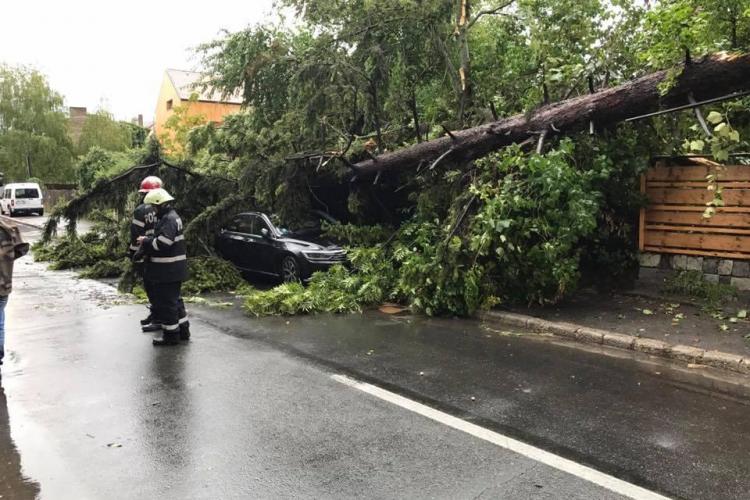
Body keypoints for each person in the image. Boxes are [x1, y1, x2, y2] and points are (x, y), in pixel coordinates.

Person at [137, 188, 190, 346]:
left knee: (167, 304)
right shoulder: (170, 217)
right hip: (173, 270)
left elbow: (164, 243)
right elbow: (162, 237)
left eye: (154, 206)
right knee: (175, 302)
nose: (153, 210)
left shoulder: (168, 219)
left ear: (161, 205)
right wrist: (148, 238)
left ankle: (171, 336)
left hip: (169, 270)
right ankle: (183, 331)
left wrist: (146, 242)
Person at [130, 176, 161, 332]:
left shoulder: (141, 210)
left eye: (143, 194)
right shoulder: (165, 208)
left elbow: (136, 235)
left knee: (151, 287)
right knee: (159, 287)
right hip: (161, 253)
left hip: (147, 254)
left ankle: (157, 317)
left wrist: (134, 255)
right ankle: (155, 314)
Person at [0, 219, 30, 366]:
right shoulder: (9, 228)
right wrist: (6, 260)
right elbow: (22, 249)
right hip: (4, 284)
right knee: (0, 320)